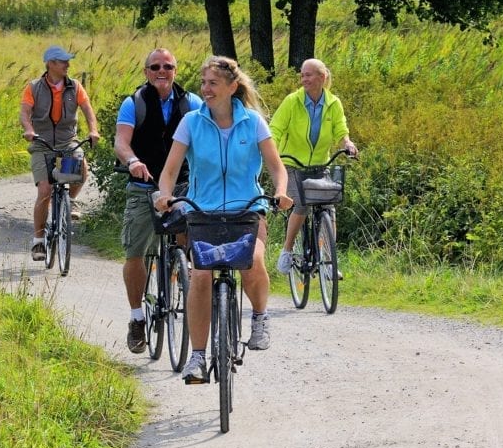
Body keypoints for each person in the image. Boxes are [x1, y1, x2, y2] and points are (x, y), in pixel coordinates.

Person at [153, 55, 292, 382]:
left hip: (248, 210)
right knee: (200, 276)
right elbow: (170, 171)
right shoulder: (191, 123)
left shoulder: (254, 122)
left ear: (232, 86)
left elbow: (276, 168)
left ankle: (260, 317)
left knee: (254, 261)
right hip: (203, 212)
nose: (206, 89)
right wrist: (164, 194)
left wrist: (282, 191)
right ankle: (198, 357)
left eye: (212, 83)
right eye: (203, 83)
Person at [114, 48, 202, 353]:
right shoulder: (134, 103)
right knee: (136, 251)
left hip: (183, 184)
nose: (161, 71)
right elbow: (121, 142)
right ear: (146, 71)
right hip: (144, 187)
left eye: (168, 66)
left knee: (193, 244)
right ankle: (137, 318)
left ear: (176, 70)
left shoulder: (192, 103)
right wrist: (133, 161)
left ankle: (188, 285)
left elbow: (208, 137)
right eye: (155, 66)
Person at [269, 58, 358, 276]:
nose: (304, 79)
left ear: (322, 77)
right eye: (302, 75)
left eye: (309, 74)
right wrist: (273, 156)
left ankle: (328, 261)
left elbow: (340, 129)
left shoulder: (333, 103)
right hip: (292, 164)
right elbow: (275, 129)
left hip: (320, 164)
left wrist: (347, 143)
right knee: (301, 206)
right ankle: (287, 251)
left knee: (329, 207)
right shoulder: (292, 101)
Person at [20, 45, 100, 261]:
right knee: (45, 190)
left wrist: (93, 130)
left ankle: (68, 200)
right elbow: (25, 112)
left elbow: (87, 110)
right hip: (41, 143)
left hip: (67, 142)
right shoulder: (34, 87)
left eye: (67, 61)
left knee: (80, 165)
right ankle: (38, 241)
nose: (68, 64)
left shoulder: (75, 86)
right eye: (63, 61)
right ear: (50, 64)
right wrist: (29, 129)